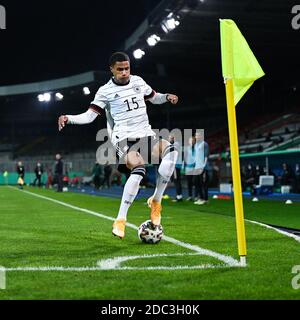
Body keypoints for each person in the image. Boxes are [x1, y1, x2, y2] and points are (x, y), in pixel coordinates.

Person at [58, 51, 178, 239]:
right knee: (139, 169)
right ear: (112, 70)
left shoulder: (138, 81)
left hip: (145, 133)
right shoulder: (105, 91)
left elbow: (154, 97)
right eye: (120, 69)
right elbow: (89, 116)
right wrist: (69, 118)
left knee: (172, 152)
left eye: (127, 68)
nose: (124, 72)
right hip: (124, 139)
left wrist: (167, 96)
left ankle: (156, 201)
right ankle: (120, 219)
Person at [194, 131, 210, 205]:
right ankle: (201, 198)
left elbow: (206, 156)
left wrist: (203, 166)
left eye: (197, 135)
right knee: (197, 183)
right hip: (197, 167)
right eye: (195, 135)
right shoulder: (196, 145)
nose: (196, 137)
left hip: (203, 167)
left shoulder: (204, 144)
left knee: (203, 183)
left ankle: (205, 199)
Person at [169, 134, 183, 202]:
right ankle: (179, 196)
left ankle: (179, 197)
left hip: (176, 165)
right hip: (177, 165)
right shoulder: (177, 144)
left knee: (176, 180)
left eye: (170, 138)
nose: (169, 139)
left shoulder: (176, 144)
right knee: (177, 181)